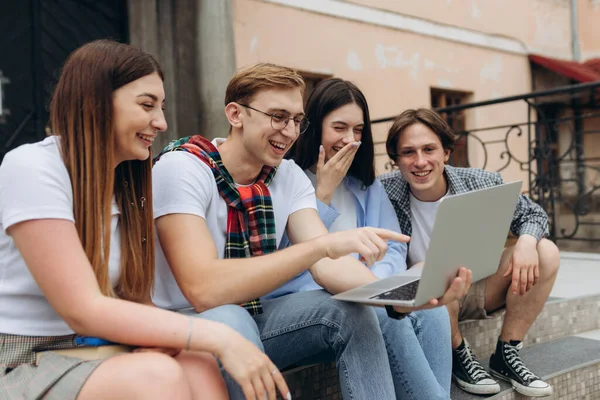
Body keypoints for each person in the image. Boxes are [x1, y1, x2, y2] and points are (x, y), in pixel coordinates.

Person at [152, 63, 471, 400]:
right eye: (278, 116)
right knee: (232, 318)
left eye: (296, 120)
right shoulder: (184, 167)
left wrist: (403, 298)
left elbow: (328, 266)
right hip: (187, 322)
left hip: (259, 314)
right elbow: (203, 289)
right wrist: (324, 246)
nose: (289, 132)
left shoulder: (286, 175)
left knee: (353, 310)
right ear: (235, 114)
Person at [0, 40, 289, 400]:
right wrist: (219, 336)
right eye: (146, 105)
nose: (162, 122)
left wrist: (201, 341)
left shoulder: (126, 185)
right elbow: (82, 309)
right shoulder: (32, 168)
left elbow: (135, 300)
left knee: (197, 362)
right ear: (95, 102)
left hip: (94, 349)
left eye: (162, 107)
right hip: (19, 359)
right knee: (158, 375)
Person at [284, 78, 458, 399]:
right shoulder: (290, 178)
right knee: (381, 312)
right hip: (317, 299)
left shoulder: (365, 185)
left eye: (358, 130)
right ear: (315, 126)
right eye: (339, 127)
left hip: (367, 290)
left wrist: (374, 283)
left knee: (433, 310)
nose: (350, 139)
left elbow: (393, 246)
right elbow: (292, 260)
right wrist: (323, 191)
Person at [379, 108, 560, 397]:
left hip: (478, 286)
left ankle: (506, 354)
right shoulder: (383, 192)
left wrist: (526, 241)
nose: (420, 161)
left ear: (447, 152)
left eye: (429, 149)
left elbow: (534, 214)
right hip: (426, 299)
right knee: (436, 271)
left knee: (546, 250)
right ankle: (459, 354)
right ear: (396, 160)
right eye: (408, 152)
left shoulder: (481, 181)